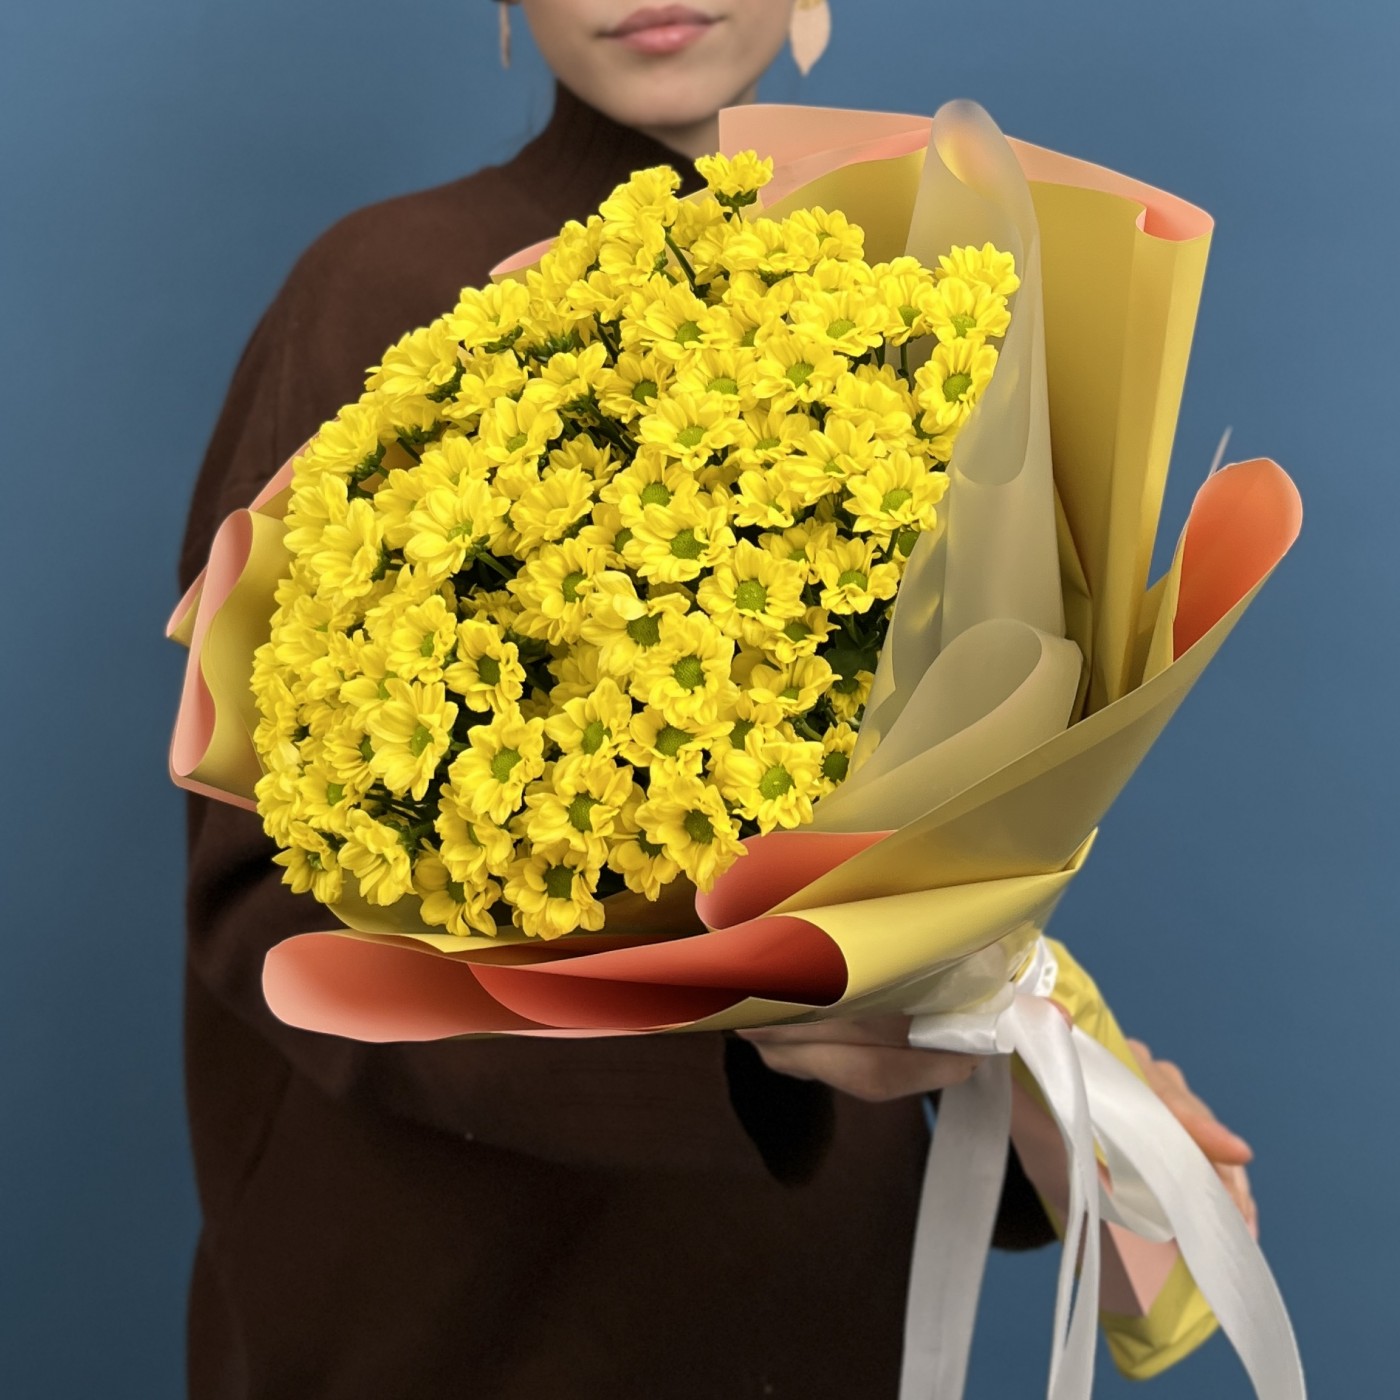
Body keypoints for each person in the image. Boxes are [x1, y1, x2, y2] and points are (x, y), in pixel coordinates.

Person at [177, 4, 1254, 1396]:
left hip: (807, 1292)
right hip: (464, 1312)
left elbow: (921, 826)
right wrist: (750, 1050)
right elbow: (259, 903)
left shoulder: (903, 292)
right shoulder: (378, 289)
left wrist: (1018, 1055)